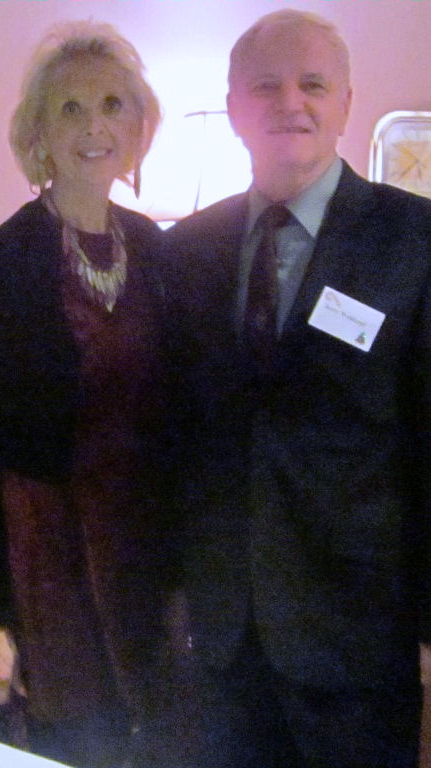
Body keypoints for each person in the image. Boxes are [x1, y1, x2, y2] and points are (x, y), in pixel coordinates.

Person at [163, 10, 431, 768]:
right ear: (234, 108)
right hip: (222, 640)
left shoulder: (415, 241)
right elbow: (174, 435)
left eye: (312, 84)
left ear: (345, 102)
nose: (290, 103)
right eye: (266, 86)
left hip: (359, 640)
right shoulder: (186, 250)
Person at [0, 22, 179, 768]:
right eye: (70, 108)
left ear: (138, 126)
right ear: (40, 134)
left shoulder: (156, 250)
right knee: (72, 744)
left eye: (112, 105)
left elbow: (179, 419)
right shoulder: (6, 256)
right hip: (46, 556)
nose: (93, 127)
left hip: (139, 552)